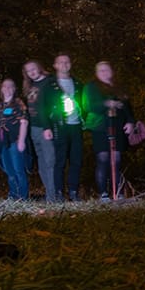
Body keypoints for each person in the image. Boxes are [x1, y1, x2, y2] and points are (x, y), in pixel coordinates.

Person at [83, 61, 136, 201]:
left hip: (118, 127)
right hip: (100, 127)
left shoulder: (119, 88)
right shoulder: (91, 87)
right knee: (103, 159)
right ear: (96, 73)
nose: (104, 72)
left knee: (116, 160)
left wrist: (130, 122)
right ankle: (103, 194)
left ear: (112, 71)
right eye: (100, 70)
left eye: (106, 70)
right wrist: (106, 103)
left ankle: (118, 192)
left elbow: (128, 108)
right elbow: (88, 106)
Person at [23, 60, 62, 202]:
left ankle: (54, 197)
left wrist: (47, 127)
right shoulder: (31, 86)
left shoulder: (49, 83)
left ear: (39, 67)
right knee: (41, 166)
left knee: (50, 162)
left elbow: (50, 107)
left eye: (33, 69)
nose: (31, 72)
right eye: (28, 71)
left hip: (45, 128)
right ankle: (50, 194)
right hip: (34, 129)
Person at [51, 54, 84, 200]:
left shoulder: (78, 83)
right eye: (61, 62)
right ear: (55, 65)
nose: (64, 64)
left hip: (76, 126)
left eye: (67, 62)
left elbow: (85, 103)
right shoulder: (51, 84)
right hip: (59, 127)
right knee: (60, 161)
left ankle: (73, 192)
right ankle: (58, 192)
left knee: (76, 160)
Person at [0, 78, 29, 200]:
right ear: (1, 89)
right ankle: (14, 196)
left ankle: (23, 197)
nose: (7, 88)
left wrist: (21, 140)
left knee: (18, 170)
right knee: (9, 171)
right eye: (5, 86)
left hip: (15, 140)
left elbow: (24, 122)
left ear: (14, 89)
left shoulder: (18, 103)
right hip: (3, 142)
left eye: (10, 86)